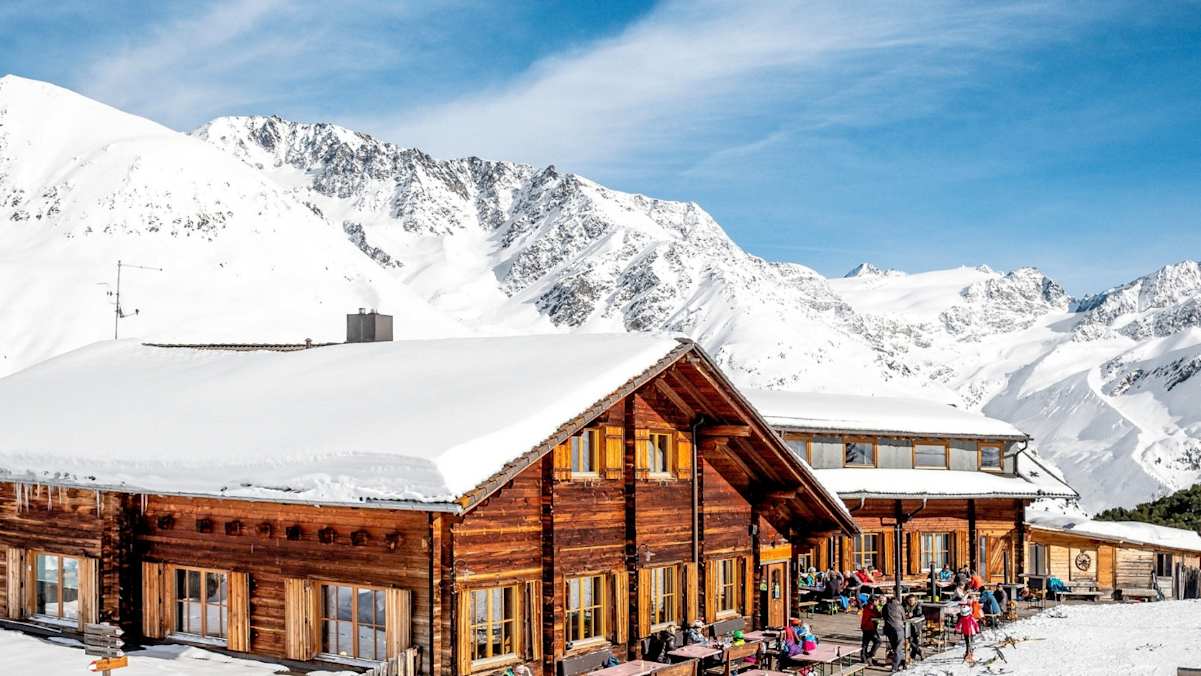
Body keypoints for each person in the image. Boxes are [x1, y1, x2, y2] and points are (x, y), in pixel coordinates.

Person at [882, 595, 906, 672]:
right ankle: (895, 667)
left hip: (889, 629)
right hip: (898, 629)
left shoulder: (886, 606)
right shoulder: (900, 606)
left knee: (895, 648)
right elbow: (904, 618)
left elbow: (883, 616)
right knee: (898, 648)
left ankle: (900, 663)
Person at [859, 594, 882, 664]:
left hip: (867, 626)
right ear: (874, 601)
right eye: (877, 601)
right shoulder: (870, 607)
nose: (878, 602)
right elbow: (877, 615)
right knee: (878, 641)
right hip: (869, 627)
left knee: (865, 643)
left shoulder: (870, 606)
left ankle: (864, 657)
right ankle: (869, 655)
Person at [903, 594, 924, 661]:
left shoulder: (918, 605)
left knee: (914, 640)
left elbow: (919, 614)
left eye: (912, 600)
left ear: (915, 600)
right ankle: (919, 651)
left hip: (916, 625)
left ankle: (913, 656)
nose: (911, 602)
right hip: (907, 624)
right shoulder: (905, 605)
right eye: (909, 600)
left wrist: (912, 615)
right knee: (908, 639)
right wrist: (905, 614)